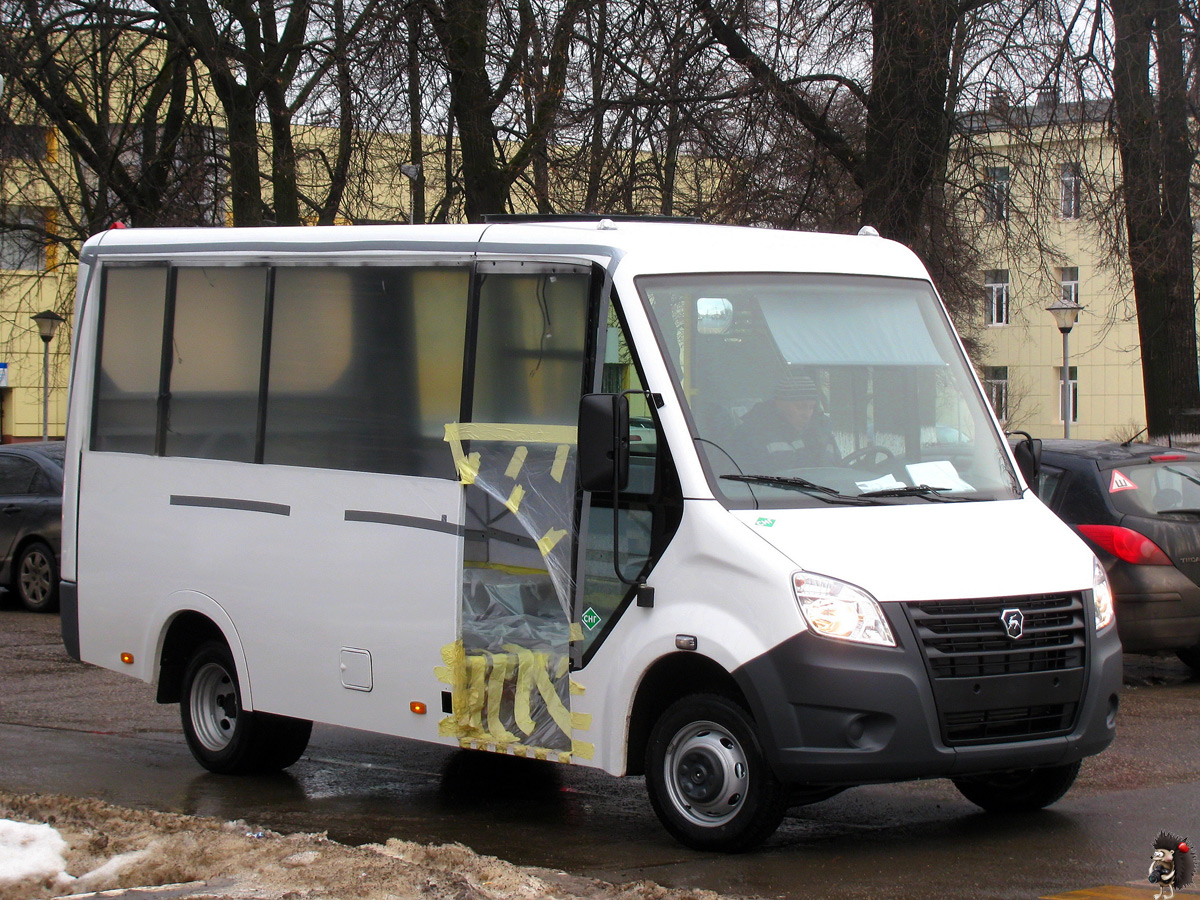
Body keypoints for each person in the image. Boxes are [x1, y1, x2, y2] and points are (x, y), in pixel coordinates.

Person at [734, 372, 840, 472]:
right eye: (800, 407)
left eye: (811, 407)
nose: (807, 414)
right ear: (779, 404)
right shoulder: (750, 435)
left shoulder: (823, 432)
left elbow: (839, 470)